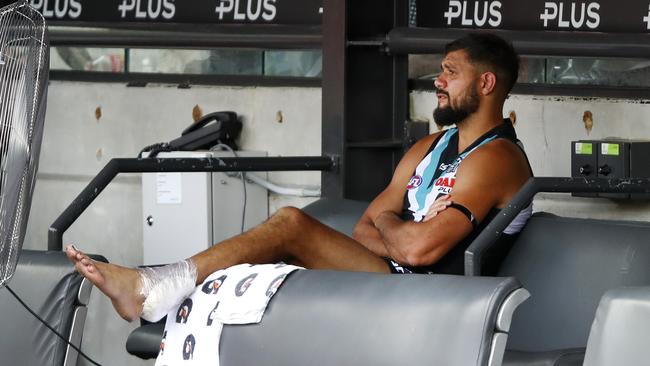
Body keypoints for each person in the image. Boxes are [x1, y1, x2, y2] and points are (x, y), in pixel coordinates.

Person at [66, 33, 533, 322]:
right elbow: (362, 229)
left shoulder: (500, 158)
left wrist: (392, 229)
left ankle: (153, 287)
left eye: (450, 72)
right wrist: (397, 232)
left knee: (290, 224)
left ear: (486, 84)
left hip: (437, 298)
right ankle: (158, 294)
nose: (438, 81)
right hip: (392, 276)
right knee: (269, 266)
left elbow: (418, 249)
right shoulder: (426, 148)